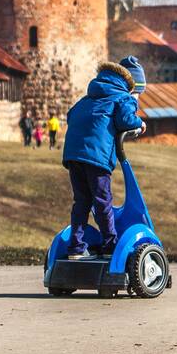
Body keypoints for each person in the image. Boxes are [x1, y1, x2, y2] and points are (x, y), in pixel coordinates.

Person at [61, 56, 147, 260]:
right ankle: (110, 246)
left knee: (82, 201)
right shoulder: (123, 97)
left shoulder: (89, 97)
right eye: (137, 93)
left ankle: (76, 248)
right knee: (102, 201)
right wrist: (139, 122)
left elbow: (71, 115)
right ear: (131, 86)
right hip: (96, 156)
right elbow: (126, 119)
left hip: (74, 155)